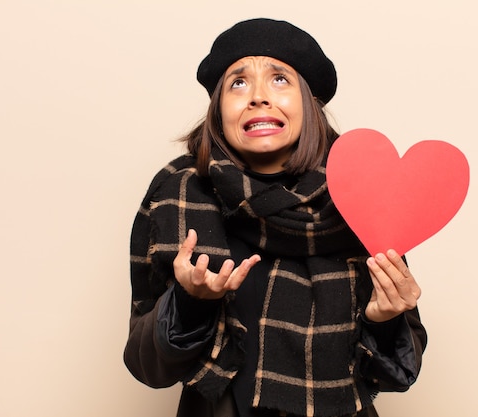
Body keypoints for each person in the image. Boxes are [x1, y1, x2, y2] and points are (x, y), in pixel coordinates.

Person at [124, 18, 427, 417]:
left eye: (280, 79)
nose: (258, 97)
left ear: (309, 103)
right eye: (238, 82)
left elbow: (398, 374)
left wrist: (385, 320)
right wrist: (190, 302)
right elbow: (147, 366)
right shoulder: (178, 197)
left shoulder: (362, 198)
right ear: (219, 109)